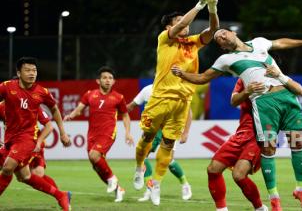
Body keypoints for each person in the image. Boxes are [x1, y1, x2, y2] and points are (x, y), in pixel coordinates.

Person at [171, 28, 302, 211]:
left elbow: (280, 42)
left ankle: (301, 190)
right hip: (264, 104)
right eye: (218, 39)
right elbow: (203, 77)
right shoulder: (226, 60)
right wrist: (182, 74)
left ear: (233, 33)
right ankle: (274, 201)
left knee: (297, 143)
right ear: (222, 47)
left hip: (287, 98)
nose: (222, 36)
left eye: (223, 33)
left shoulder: (259, 42)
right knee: (268, 150)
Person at [133, 0, 219, 206]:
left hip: (182, 102)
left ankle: (156, 182)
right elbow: (182, 23)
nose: (186, 27)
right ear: (170, 26)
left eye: (187, 24)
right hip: (160, 98)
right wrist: (199, 5)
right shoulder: (165, 38)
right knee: (147, 137)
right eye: (180, 23)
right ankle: (139, 167)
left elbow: (213, 30)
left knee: (168, 144)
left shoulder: (193, 42)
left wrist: (212, 7)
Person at [208, 66, 302, 211]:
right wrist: (247, 91)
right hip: (241, 133)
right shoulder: (243, 79)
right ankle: (221, 209)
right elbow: (234, 101)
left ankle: (260, 208)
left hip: (259, 134)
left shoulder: (275, 77)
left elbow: (297, 93)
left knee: (239, 175)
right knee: (213, 169)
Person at [0, 57, 72, 211]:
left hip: (27, 138)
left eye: (34, 70)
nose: (32, 73)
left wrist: (63, 133)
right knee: (24, 176)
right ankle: (61, 195)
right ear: (19, 73)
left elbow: (54, 109)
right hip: (10, 139)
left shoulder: (42, 92)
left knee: (7, 168)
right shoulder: (7, 87)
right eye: (27, 70)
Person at [64, 66, 134, 203]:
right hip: (92, 134)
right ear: (98, 80)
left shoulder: (119, 97)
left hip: (108, 132)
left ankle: (113, 179)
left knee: (94, 155)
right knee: (96, 165)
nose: (107, 80)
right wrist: (70, 116)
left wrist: (127, 133)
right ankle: (118, 189)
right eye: (104, 78)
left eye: (110, 78)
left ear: (114, 81)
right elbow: (79, 109)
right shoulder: (90, 94)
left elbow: (125, 116)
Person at [126, 84, 192, 202]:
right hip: (151, 128)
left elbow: (188, 111)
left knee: (168, 161)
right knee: (143, 157)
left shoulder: (177, 89)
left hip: (169, 128)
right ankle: (149, 188)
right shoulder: (147, 90)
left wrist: (185, 132)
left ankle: (185, 185)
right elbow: (131, 106)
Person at [0, 102, 58, 189]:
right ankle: (61, 195)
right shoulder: (2, 107)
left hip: (31, 143)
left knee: (34, 175)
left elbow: (49, 126)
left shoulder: (31, 102)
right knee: (22, 175)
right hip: (14, 144)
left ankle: (60, 195)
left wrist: (39, 142)